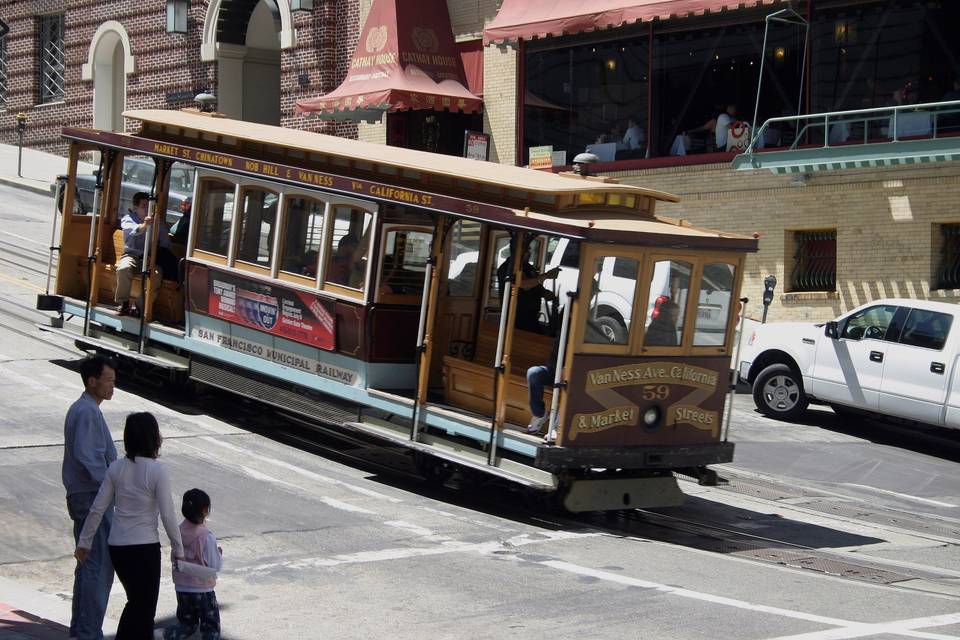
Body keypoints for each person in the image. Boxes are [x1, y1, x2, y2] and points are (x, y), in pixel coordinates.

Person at [76, 412, 184, 640]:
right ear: (154, 438)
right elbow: (168, 514)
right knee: (143, 609)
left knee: (136, 603)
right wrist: (179, 548)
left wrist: (84, 542)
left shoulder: (115, 468)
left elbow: (98, 508)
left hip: (119, 548)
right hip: (145, 548)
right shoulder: (157, 471)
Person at [63, 355, 118, 640]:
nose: (112, 387)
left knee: (88, 564)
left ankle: (82, 629)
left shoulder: (87, 409)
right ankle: (87, 631)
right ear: (92, 381)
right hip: (91, 498)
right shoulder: (86, 412)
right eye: (108, 381)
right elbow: (89, 457)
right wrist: (110, 486)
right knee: (97, 565)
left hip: (87, 496)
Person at [164, 489, 223, 640]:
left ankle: (166, 635)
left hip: (182, 587)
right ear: (205, 511)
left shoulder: (177, 531)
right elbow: (215, 566)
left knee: (187, 623)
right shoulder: (206, 537)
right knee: (210, 628)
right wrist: (219, 554)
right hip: (203, 589)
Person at [116, 192, 173, 316]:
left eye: (149, 206)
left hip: (150, 259)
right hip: (132, 256)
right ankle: (123, 302)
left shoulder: (158, 224)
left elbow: (165, 245)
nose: (147, 209)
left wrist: (154, 256)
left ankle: (138, 306)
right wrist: (145, 225)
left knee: (156, 276)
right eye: (144, 206)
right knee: (123, 268)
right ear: (135, 208)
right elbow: (135, 231)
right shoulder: (128, 218)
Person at [496, 241, 560, 333]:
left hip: (531, 316)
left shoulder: (528, 267)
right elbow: (523, 284)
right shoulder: (507, 268)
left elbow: (536, 286)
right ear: (518, 251)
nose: (530, 253)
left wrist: (546, 293)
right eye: (527, 250)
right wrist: (546, 275)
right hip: (516, 318)